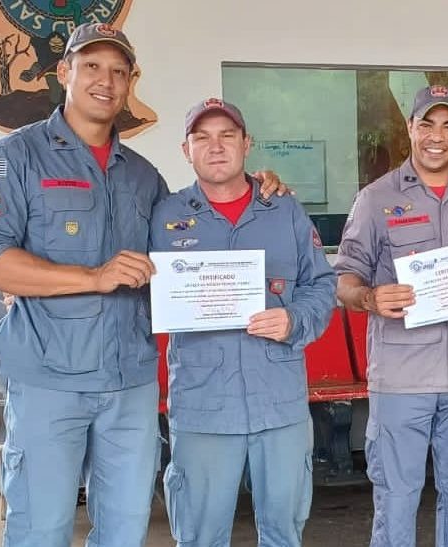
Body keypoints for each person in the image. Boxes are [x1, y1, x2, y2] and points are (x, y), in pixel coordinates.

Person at [0, 23, 284, 547]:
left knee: (126, 530)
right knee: (40, 529)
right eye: (91, 66)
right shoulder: (13, 160)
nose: (105, 81)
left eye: (119, 71)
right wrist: (93, 276)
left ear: (131, 81)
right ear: (64, 72)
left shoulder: (142, 176)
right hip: (50, 381)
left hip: (129, 382)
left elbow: (190, 244)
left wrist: (258, 185)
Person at [335, 85, 448, 546]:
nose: (437, 136)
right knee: (397, 496)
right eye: (427, 124)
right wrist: (370, 298)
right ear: (411, 128)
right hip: (402, 377)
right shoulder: (375, 199)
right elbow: (344, 278)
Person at [149, 98, 336, 547]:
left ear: (246, 144)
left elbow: (322, 285)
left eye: (227, 136)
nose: (216, 147)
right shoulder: (163, 216)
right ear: (185, 149)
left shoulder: (285, 211)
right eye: (202, 138)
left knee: (283, 533)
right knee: (200, 536)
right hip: (203, 407)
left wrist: (294, 320)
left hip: (279, 403)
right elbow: (132, 283)